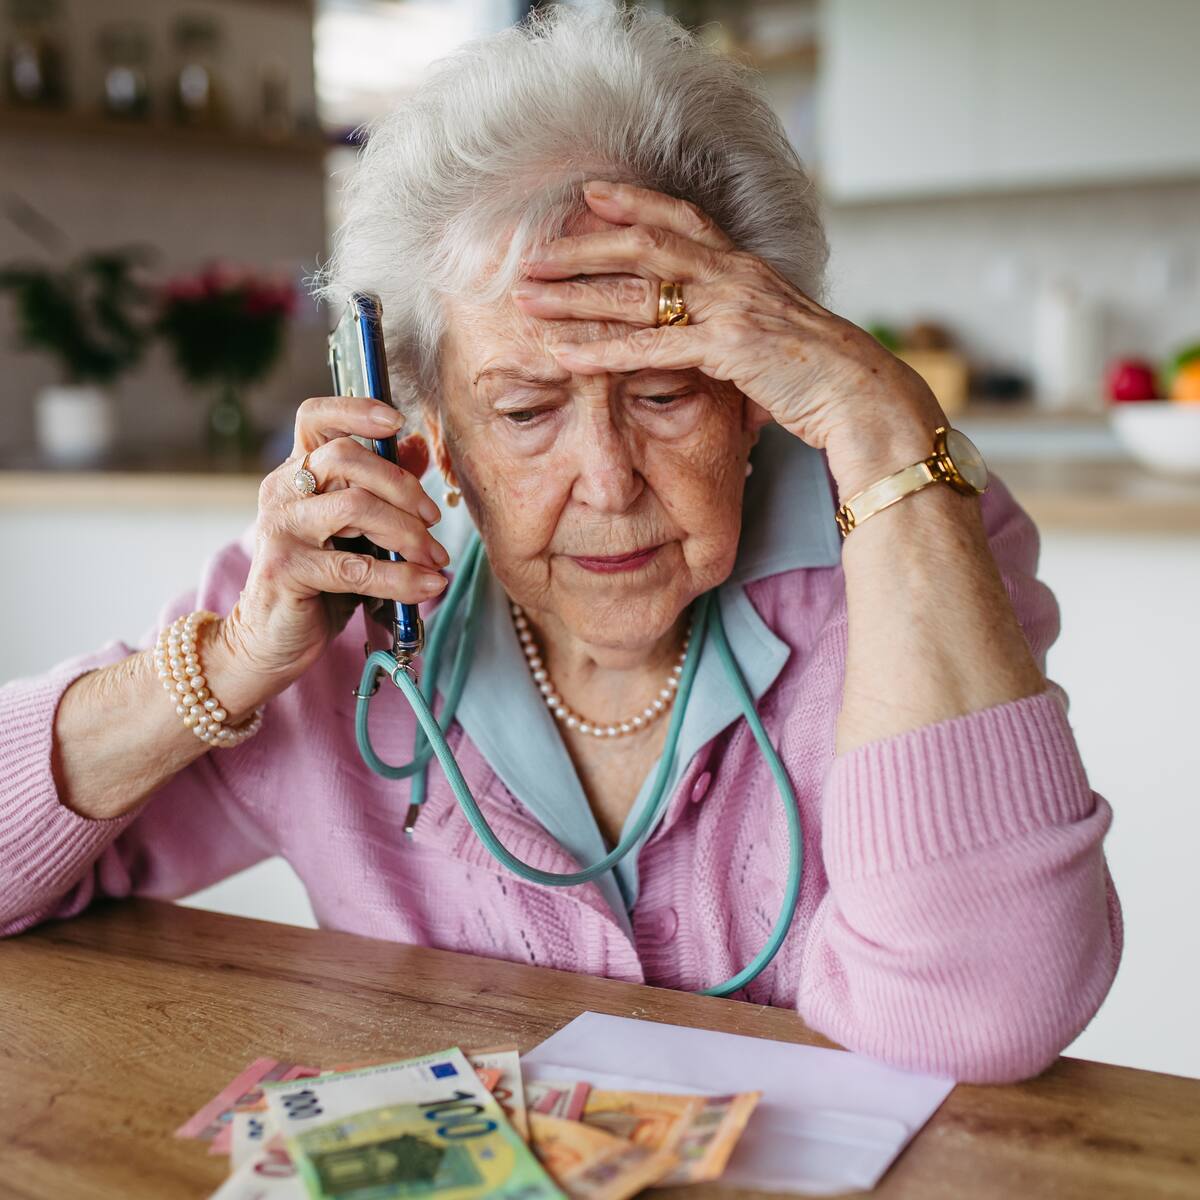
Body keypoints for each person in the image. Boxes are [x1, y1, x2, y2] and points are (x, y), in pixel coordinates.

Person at [0, 5, 1120, 1084]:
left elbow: (985, 1010)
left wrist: (884, 427)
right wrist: (230, 662)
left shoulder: (901, 538)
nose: (607, 477)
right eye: (527, 410)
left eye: (667, 392)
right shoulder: (347, 607)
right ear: (427, 426)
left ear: (756, 395)